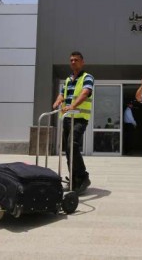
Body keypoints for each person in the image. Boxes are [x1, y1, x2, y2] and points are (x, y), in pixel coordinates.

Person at [52, 51, 93, 194]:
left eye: (76, 60)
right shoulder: (68, 79)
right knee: (68, 149)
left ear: (82, 62)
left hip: (80, 118)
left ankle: (83, 177)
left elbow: (85, 93)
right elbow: (63, 93)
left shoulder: (87, 77)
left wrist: (73, 106)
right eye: (71, 60)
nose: (73, 62)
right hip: (67, 118)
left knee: (72, 145)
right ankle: (74, 178)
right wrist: (58, 100)